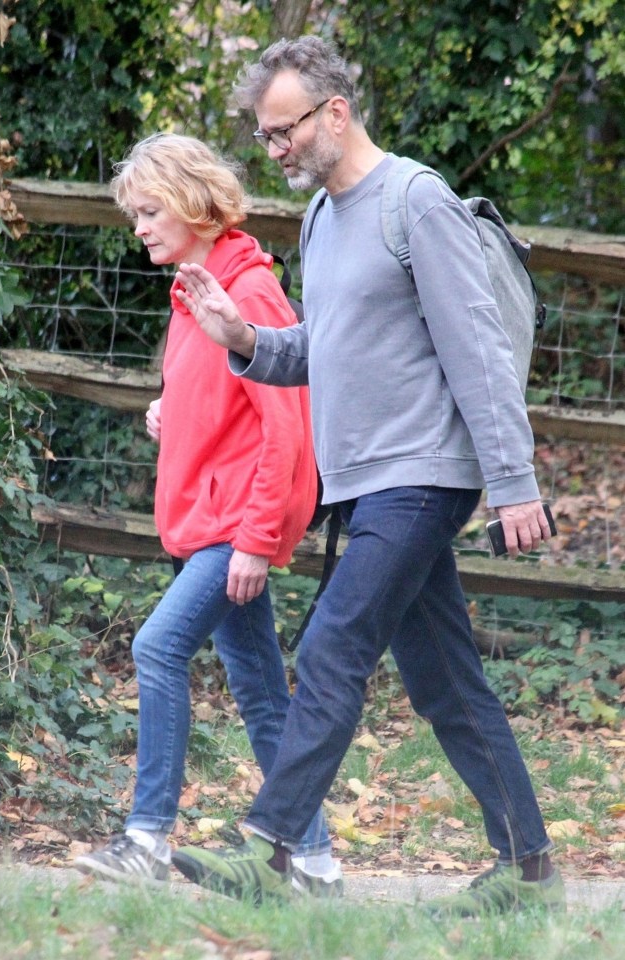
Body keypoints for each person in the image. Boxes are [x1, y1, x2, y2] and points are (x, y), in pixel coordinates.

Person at [168, 38, 565, 918]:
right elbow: (325, 347)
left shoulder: (415, 204)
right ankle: (529, 870)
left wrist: (513, 479)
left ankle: (266, 851)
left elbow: (480, 350)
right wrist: (244, 339)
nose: (273, 150)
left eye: (283, 131)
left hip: (422, 472)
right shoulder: (319, 219)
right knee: (444, 681)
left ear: (335, 113)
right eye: (265, 135)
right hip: (364, 478)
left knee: (334, 644)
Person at [73, 132, 343, 896]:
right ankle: (315, 865)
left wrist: (257, 541)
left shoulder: (248, 292)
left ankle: (147, 841)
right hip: (212, 524)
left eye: (151, 210)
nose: (140, 226)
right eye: (134, 214)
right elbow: (223, 400)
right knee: (260, 693)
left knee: (157, 650)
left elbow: (287, 429)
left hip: (236, 529)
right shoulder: (193, 290)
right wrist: (172, 408)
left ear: (195, 204)